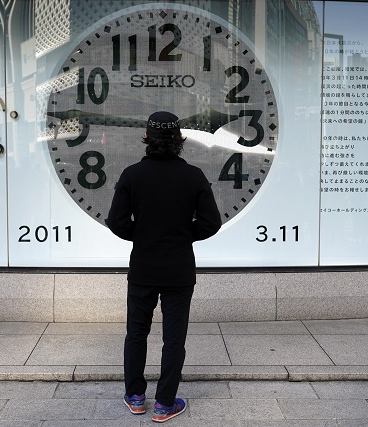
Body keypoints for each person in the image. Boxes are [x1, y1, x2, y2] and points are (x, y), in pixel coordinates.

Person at [106, 111, 222, 423]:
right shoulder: (194, 176)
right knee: (174, 339)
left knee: (136, 334)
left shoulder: (132, 175)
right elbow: (212, 223)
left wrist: (142, 237)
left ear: (146, 138)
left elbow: (115, 222)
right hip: (179, 269)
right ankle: (164, 403)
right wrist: (183, 236)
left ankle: (135, 396)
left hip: (143, 266)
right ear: (180, 140)